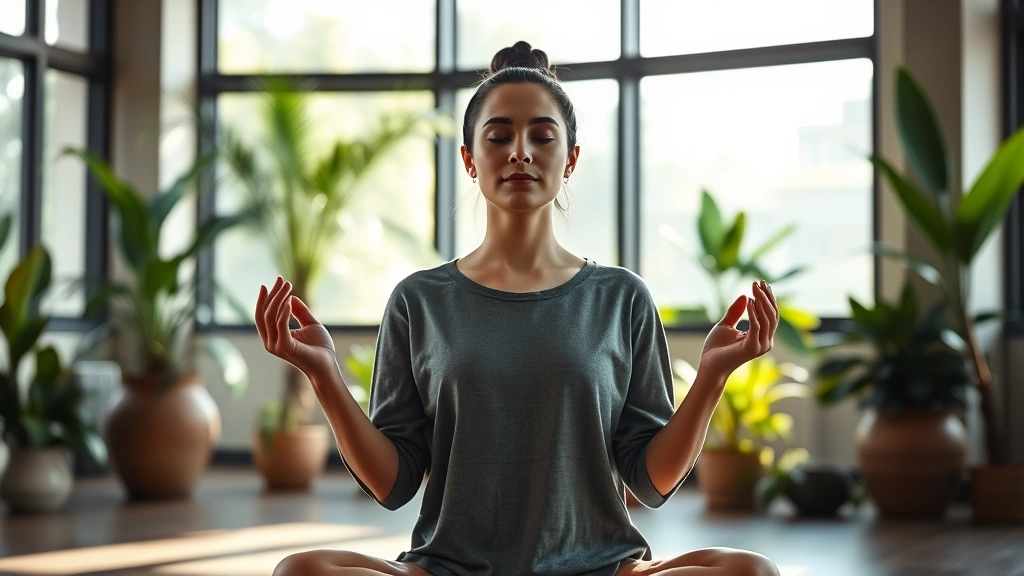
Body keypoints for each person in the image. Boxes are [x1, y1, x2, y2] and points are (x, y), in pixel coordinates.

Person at [256, 41, 781, 576]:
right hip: (452, 568)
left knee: (750, 571)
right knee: (301, 570)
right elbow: (394, 484)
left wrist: (713, 375)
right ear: (469, 158)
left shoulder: (621, 298)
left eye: (542, 137)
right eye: (499, 135)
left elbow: (650, 481)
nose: (520, 152)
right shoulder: (420, 301)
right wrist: (321, 373)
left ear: (570, 159)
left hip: (597, 567)